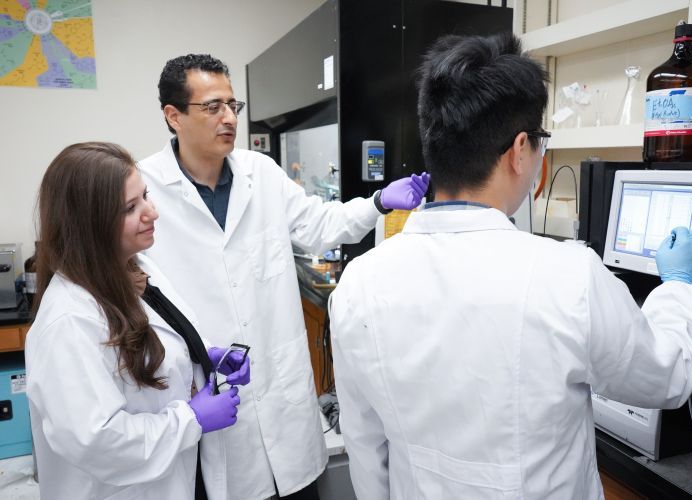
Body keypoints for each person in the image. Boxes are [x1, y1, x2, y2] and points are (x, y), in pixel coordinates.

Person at [328, 32, 692, 500]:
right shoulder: (569, 276)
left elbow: (366, 449)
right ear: (520, 149)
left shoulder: (359, 283)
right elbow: (665, 378)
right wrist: (679, 287)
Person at [138, 54, 430, 499]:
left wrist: (377, 203)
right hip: (208, 399)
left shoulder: (261, 173)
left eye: (232, 106)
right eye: (212, 107)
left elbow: (319, 225)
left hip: (281, 393)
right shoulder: (145, 189)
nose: (228, 118)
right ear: (172, 116)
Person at [25, 142, 251, 500]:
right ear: (90, 225)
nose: (152, 213)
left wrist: (204, 354)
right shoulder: (68, 322)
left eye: (145, 195)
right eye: (131, 208)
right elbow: (96, 441)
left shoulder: (135, 268)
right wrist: (191, 420)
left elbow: (153, 341)